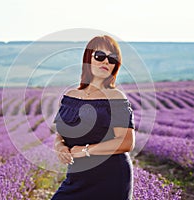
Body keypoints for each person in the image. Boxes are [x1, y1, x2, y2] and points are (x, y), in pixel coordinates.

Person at [51, 35, 135, 200]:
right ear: (88, 58)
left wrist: (85, 150)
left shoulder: (115, 97)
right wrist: (60, 147)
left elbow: (126, 142)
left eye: (112, 59)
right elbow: (60, 134)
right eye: (100, 56)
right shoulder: (70, 96)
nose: (105, 62)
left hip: (111, 178)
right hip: (77, 177)